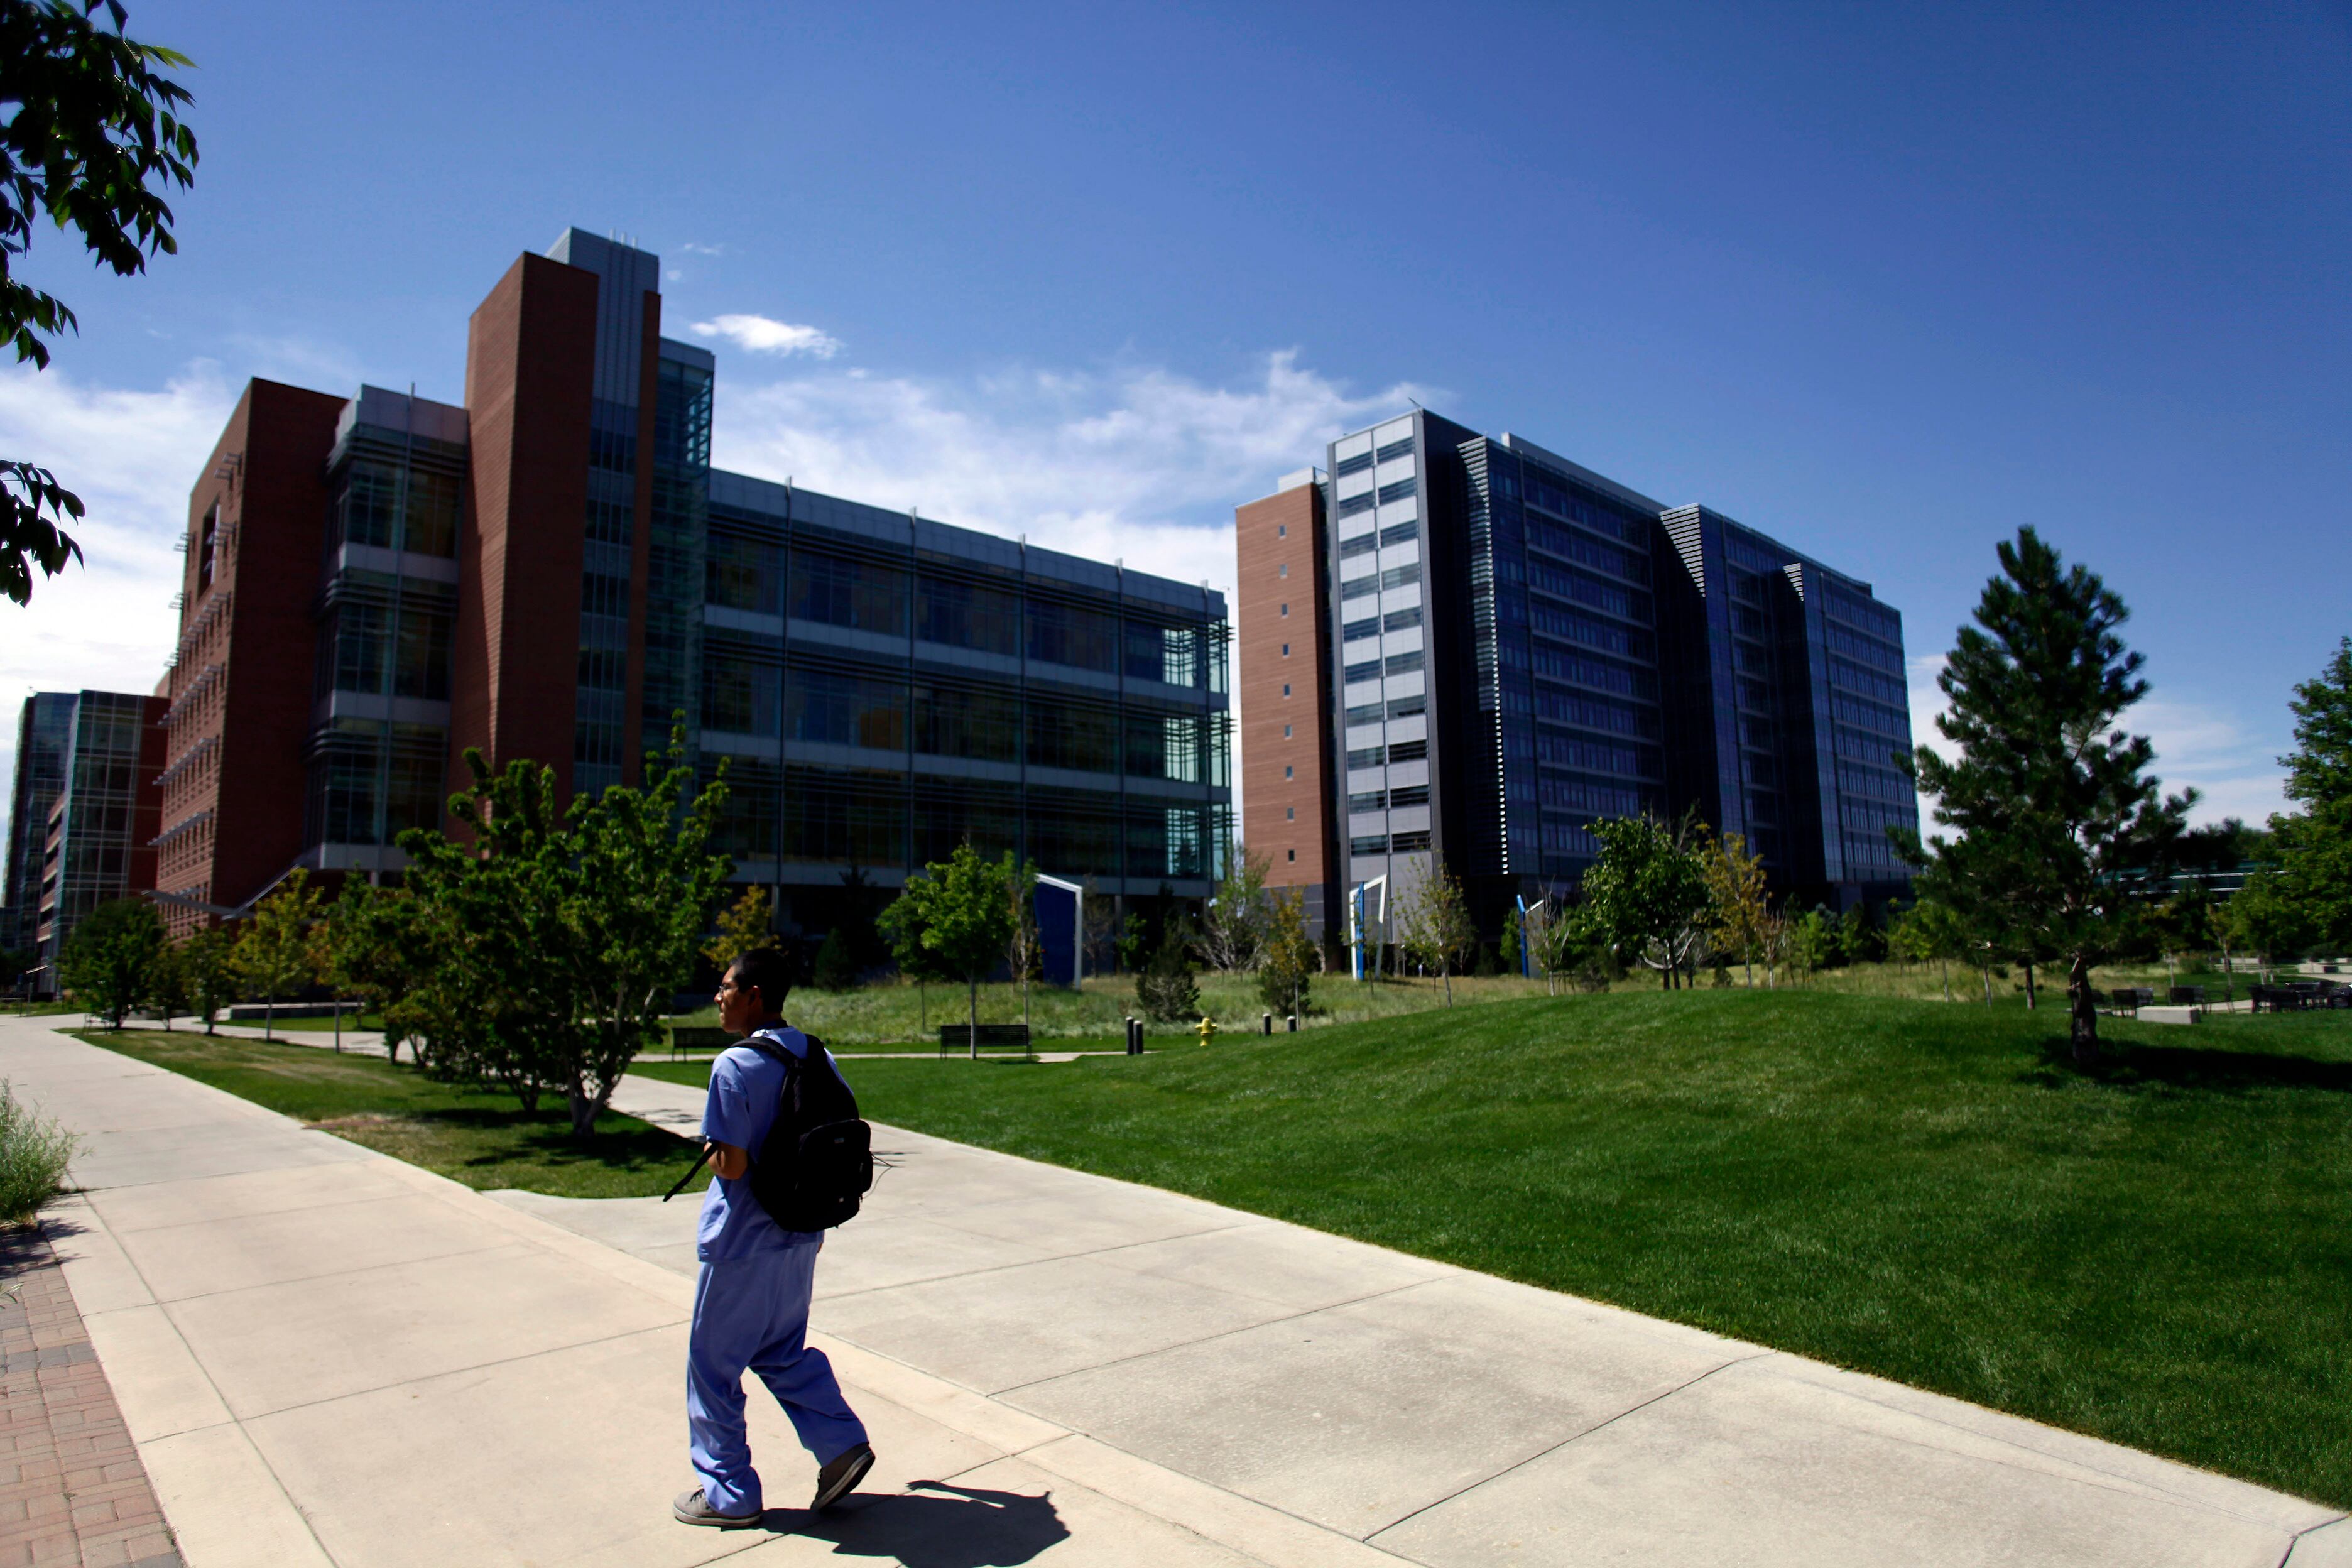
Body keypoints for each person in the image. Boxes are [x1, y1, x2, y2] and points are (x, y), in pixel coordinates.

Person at [674, 945, 875, 1528]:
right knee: (781, 1351)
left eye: (727, 987)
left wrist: (709, 1147)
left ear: (754, 996)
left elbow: (732, 1165)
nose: (718, 997)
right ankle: (840, 1445)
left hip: (740, 1243)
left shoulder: (734, 1066)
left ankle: (728, 1493)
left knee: (712, 1368)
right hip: (799, 1235)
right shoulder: (818, 1053)